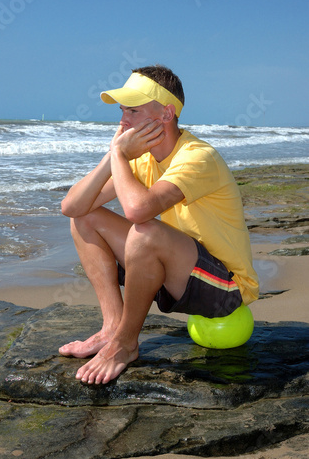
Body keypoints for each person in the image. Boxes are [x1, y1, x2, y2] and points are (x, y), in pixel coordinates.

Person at [59, 65, 259, 385]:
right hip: (178, 275)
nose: (123, 121)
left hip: (226, 290)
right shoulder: (140, 160)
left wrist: (120, 159)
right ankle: (112, 327)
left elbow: (138, 211)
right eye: (123, 111)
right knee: (87, 218)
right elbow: (73, 207)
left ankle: (125, 344)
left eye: (133, 111)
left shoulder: (197, 157)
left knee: (145, 232)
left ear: (166, 114)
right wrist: (112, 156)